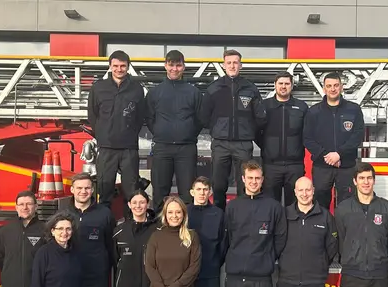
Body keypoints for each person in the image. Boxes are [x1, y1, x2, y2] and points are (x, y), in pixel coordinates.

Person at [199, 49, 265, 209]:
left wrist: (248, 130)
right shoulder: (214, 88)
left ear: (241, 65)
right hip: (220, 143)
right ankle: (219, 217)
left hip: (243, 144)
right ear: (224, 65)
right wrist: (217, 128)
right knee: (219, 185)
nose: (232, 65)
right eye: (229, 63)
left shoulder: (250, 88)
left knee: (245, 185)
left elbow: (260, 117)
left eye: (235, 62)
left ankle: (244, 215)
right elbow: (203, 116)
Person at [87, 50, 146, 206]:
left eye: (123, 66)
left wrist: (130, 133)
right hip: (106, 147)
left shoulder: (137, 89)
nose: (119, 69)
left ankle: (131, 227)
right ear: (110, 66)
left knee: (132, 192)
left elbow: (140, 116)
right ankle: (104, 226)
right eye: (115, 66)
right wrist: (101, 134)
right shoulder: (98, 87)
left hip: (129, 148)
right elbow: (92, 115)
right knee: (104, 191)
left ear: (128, 67)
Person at [146, 50, 202, 213]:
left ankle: (189, 230)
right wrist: (159, 132)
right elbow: (149, 118)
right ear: (165, 66)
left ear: (184, 67)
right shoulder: (155, 92)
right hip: (162, 148)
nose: (174, 69)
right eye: (171, 65)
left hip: (186, 148)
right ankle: (159, 229)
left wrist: (189, 133)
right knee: (160, 192)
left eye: (178, 65)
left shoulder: (194, 92)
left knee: (188, 192)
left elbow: (201, 119)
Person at [303, 71, 364, 211]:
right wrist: (326, 155)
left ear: (342, 87)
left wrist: (339, 154)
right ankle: (324, 232)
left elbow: (357, 135)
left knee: (348, 205)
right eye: (329, 86)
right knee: (320, 204)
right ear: (324, 88)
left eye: (336, 85)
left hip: (346, 166)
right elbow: (307, 138)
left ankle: (344, 233)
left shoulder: (353, 109)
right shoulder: (314, 112)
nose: (333, 89)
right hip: (322, 166)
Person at [259, 72, 308, 206]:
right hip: (271, 166)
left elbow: (307, 133)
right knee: (270, 205)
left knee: (294, 206)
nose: (283, 86)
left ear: (292, 86)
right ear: (275, 85)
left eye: (287, 83)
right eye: (280, 83)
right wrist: (267, 147)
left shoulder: (302, 107)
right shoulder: (264, 106)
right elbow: (256, 131)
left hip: (295, 166)